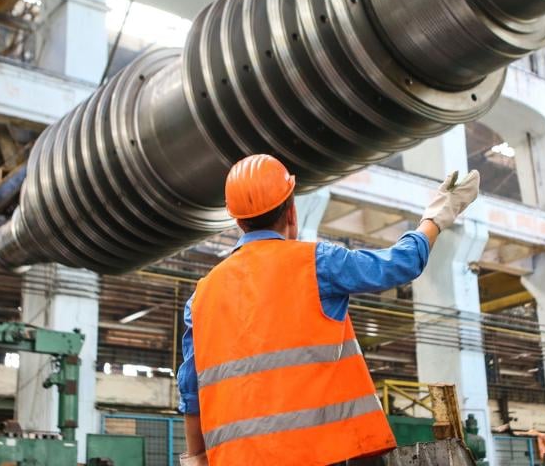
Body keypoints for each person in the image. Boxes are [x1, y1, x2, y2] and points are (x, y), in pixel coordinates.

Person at [178, 154, 480, 466]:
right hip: (319, 455)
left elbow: (190, 392)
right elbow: (399, 265)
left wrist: (197, 457)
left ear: (238, 221)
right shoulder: (317, 263)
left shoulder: (201, 296)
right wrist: (438, 215)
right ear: (292, 210)